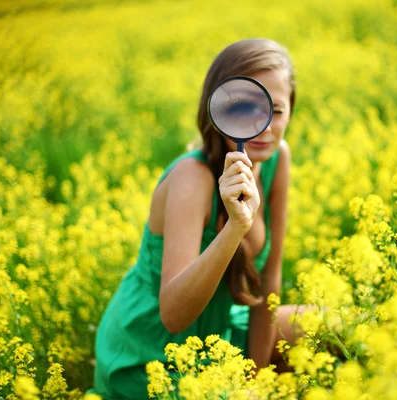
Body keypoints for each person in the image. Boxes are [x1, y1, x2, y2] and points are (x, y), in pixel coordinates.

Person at [92, 38, 302, 399]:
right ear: (218, 111)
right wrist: (236, 227)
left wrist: (255, 381)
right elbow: (173, 316)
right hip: (155, 354)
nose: (263, 126)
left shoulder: (276, 157)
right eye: (245, 108)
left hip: (221, 332)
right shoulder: (193, 179)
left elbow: (270, 277)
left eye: (276, 110)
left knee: (337, 328)